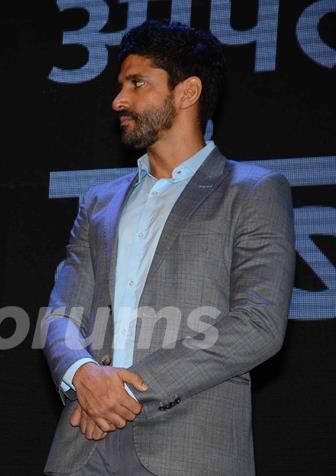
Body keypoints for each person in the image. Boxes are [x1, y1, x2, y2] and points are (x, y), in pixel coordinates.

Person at [42, 21, 294, 476]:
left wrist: (128, 390)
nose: (119, 100)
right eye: (121, 86)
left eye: (137, 84)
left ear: (187, 92)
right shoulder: (99, 201)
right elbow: (62, 314)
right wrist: (80, 373)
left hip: (190, 444)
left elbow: (258, 324)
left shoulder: (253, 191)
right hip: (84, 442)